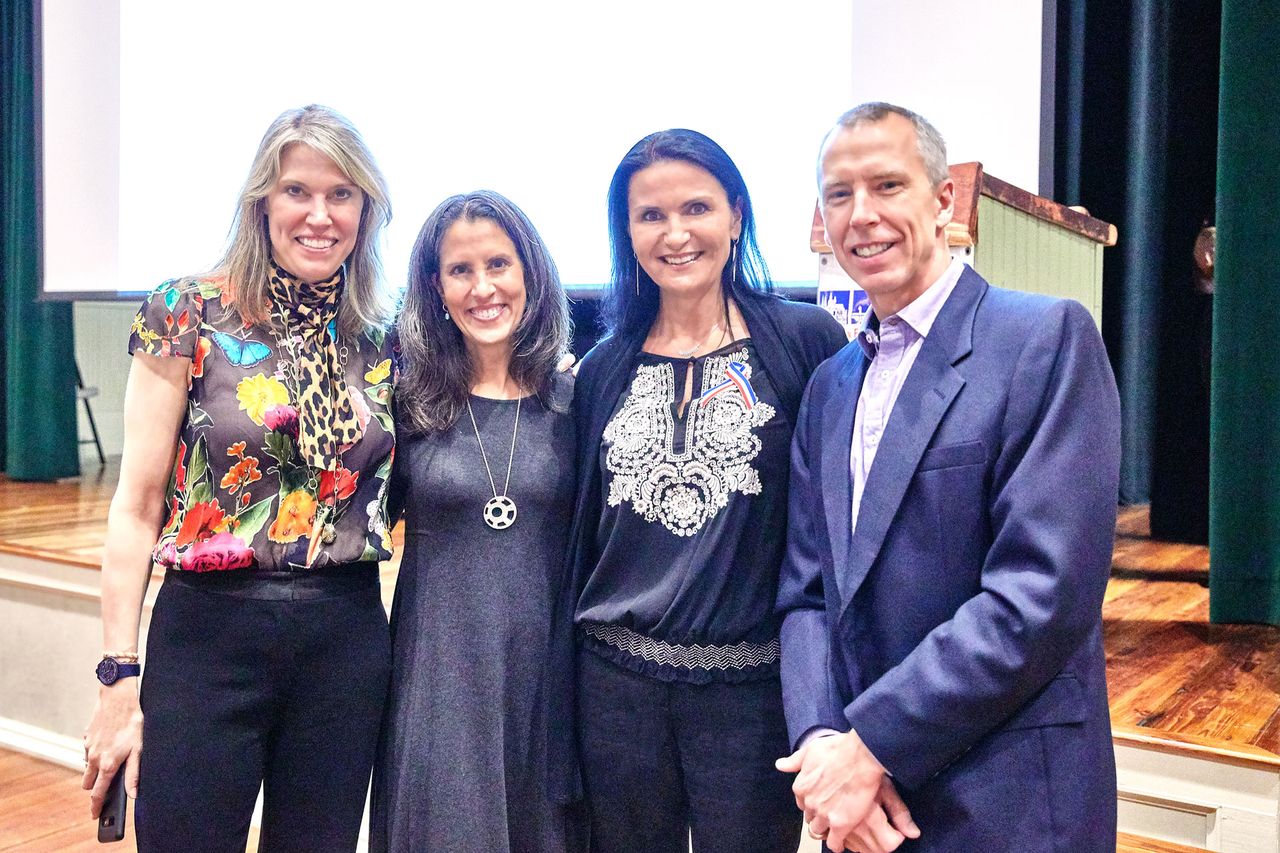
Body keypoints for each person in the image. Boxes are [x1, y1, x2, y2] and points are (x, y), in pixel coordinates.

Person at [775, 102, 1121, 853]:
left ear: (942, 201)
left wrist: (871, 745)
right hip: (864, 806)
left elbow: (1041, 594)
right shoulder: (830, 384)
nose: (862, 215)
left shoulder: (1044, 339)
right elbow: (806, 591)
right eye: (839, 194)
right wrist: (822, 744)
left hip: (1007, 792)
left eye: (887, 186)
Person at [82, 104, 399, 851]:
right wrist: (118, 676)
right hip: (209, 633)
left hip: (344, 639)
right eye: (297, 191)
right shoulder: (186, 309)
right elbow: (136, 507)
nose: (319, 215)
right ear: (262, 202)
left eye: (341, 194)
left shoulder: (387, 335)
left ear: (366, 209)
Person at [555, 129, 847, 853]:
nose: (675, 233)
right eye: (650, 215)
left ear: (736, 215)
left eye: (696, 207)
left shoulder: (806, 343)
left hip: (751, 698)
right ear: (627, 230)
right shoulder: (602, 370)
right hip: (614, 691)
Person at [371, 190, 581, 853]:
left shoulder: (578, 398)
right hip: (440, 674)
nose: (483, 287)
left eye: (499, 263)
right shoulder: (406, 401)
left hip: (547, 671)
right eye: (461, 270)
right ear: (435, 286)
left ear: (532, 273)